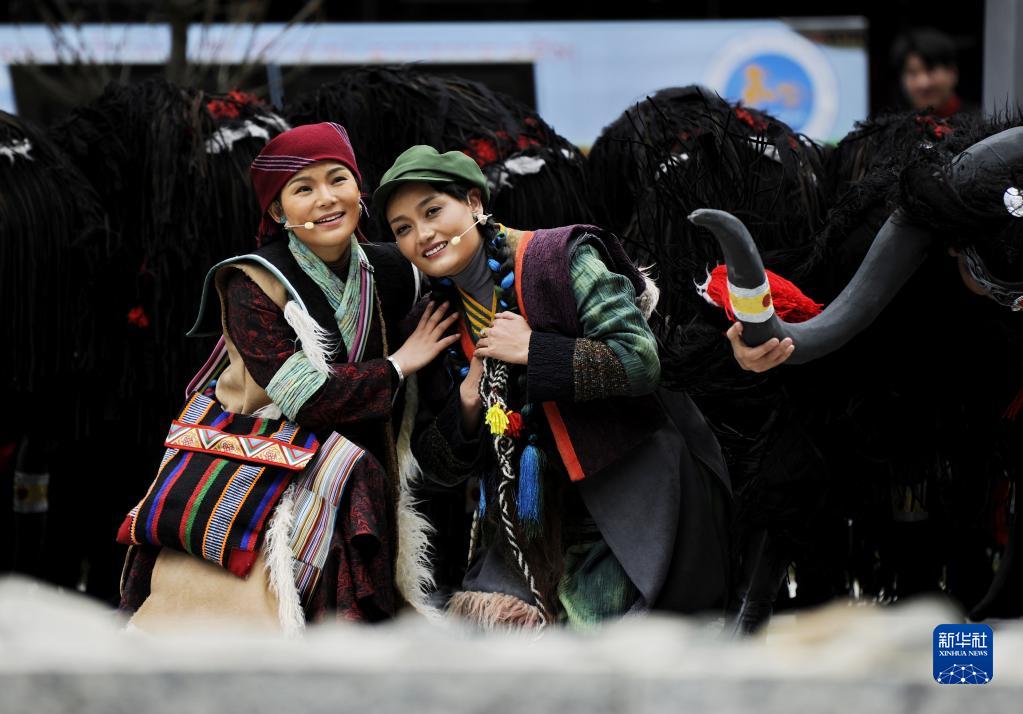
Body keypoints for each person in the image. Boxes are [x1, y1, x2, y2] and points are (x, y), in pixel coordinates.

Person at [376, 145, 732, 629]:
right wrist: (466, 403)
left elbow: (640, 360)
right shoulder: (432, 320)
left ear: (474, 202)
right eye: (402, 229)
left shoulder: (561, 257)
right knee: (491, 639)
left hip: (627, 498)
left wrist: (534, 349)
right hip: (527, 523)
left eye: (433, 211)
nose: (422, 234)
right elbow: (439, 470)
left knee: (604, 650)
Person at [119, 123, 458, 628]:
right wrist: (399, 364)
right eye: (303, 189)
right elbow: (307, 399)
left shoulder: (393, 269)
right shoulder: (251, 282)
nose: (326, 198)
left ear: (358, 189)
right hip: (267, 466)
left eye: (338, 179)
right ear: (278, 212)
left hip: (365, 463)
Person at [891, 28, 966, 118]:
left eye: (931, 69)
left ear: (953, 72)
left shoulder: (978, 122)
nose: (923, 83)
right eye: (912, 73)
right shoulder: (894, 124)